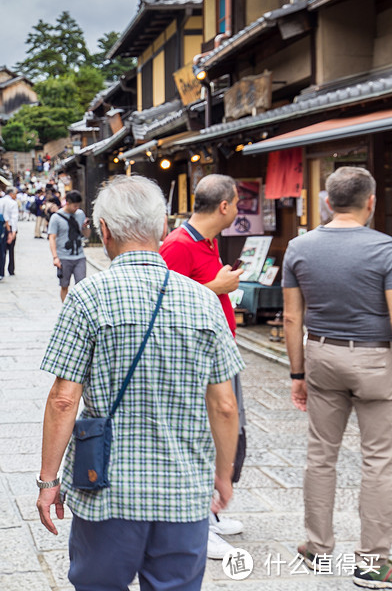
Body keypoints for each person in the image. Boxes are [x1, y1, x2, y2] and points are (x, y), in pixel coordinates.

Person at [36, 174, 243, 591]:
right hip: (183, 492)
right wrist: (223, 474)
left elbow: (63, 399)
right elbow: (224, 404)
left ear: (105, 231)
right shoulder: (204, 300)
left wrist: (48, 480)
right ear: (163, 227)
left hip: (106, 491)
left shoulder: (87, 296)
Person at [283, 166, 392, 587]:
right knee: (379, 460)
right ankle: (374, 563)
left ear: (327, 202)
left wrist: (297, 372)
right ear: (371, 201)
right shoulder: (385, 249)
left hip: (322, 354)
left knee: (321, 455)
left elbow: (293, 316)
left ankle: (317, 549)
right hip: (376, 360)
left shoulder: (299, 246)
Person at [159, 174, 248, 560]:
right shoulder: (177, 245)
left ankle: (210, 514)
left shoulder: (206, 241)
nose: (238, 209)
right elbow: (162, 300)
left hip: (219, 346)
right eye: (237, 202)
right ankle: (200, 523)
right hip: (197, 355)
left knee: (229, 431)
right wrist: (218, 288)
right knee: (210, 431)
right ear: (224, 206)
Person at [48, 190, 91, 302]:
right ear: (67, 202)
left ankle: (79, 309)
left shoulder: (80, 214)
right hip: (63, 257)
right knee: (64, 285)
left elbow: (86, 235)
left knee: (81, 286)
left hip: (79, 256)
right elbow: (52, 238)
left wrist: (86, 227)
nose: (76, 208)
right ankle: (65, 309)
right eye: (74, 205)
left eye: (78, 206)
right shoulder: (56, 217)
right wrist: (55, 257)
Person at [3, 186, 20, 278]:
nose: (16, 196)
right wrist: (13, 231)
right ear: (11, 194)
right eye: (15, 194)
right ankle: (11, 269)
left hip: (3, 228)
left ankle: (1, 269)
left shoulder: (0, 201)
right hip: (10, 227)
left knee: (2, 250)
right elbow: (14, 218)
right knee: (11, 250)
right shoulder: (13, 203)